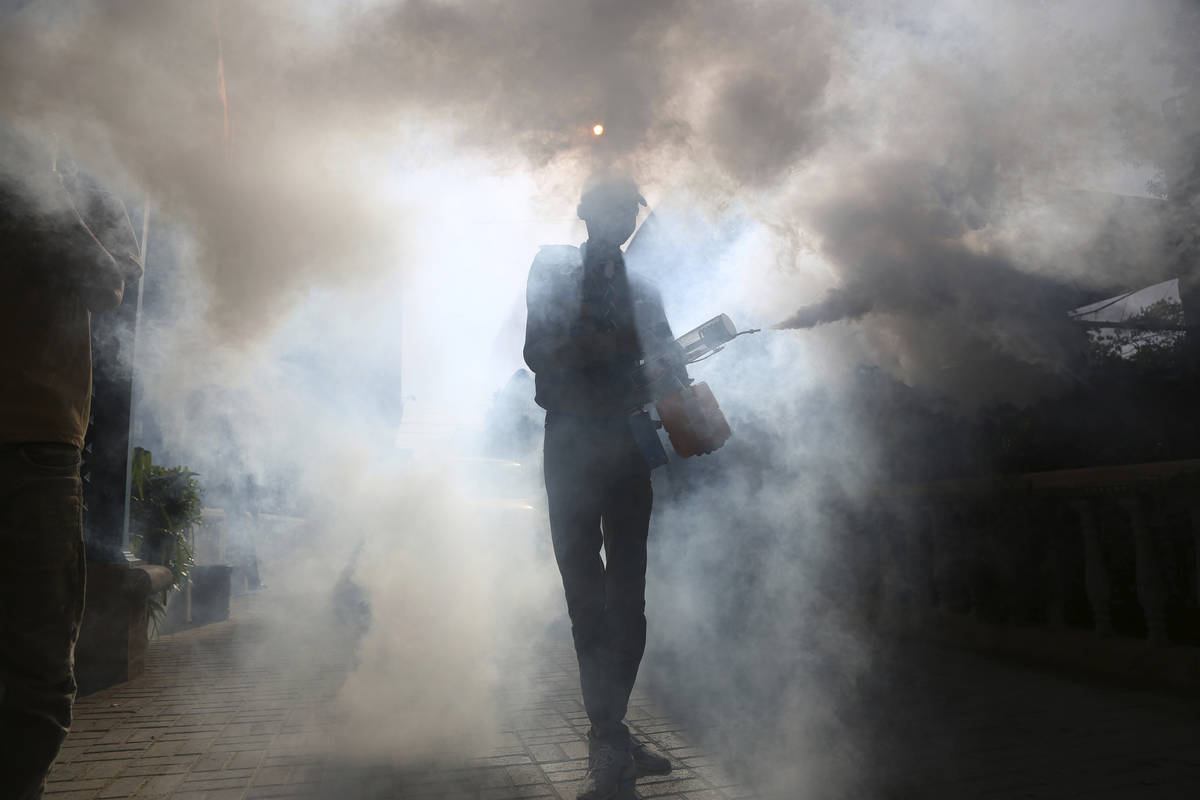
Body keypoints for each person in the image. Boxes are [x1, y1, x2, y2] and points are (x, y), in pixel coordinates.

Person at [523, 172, 684, 800]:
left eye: (629, 213)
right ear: (589, 213)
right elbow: (539, 352)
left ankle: (610, 731)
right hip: (570, 440)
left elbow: (665, 355)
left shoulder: (642, 284)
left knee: (629, 591)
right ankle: (609, 736)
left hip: (625, 441)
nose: (622, 222)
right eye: (612, 210)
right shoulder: (553, 270)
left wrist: (678, 375)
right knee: (585, 590)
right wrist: (613, 345)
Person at [0, 137, 142, 800]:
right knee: (35, 663)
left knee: (36, 664)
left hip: (36, 437)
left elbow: (113, 274)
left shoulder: (67, 161)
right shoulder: (37, 169)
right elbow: (103, 279)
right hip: (32, 440)